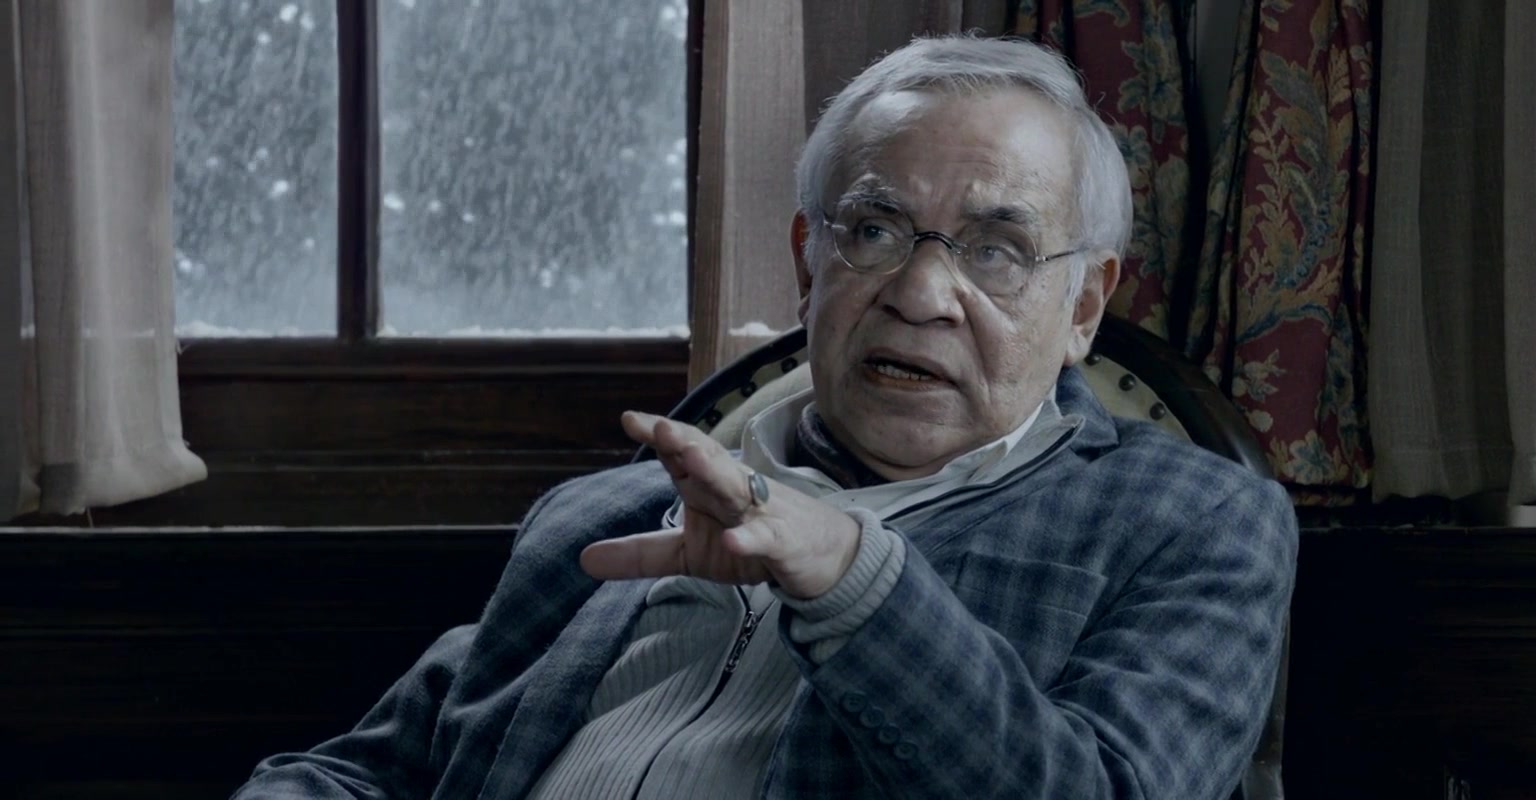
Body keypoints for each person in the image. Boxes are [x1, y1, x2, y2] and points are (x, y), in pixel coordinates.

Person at [234, 34, 1297, 800]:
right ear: (808, 260)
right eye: (874, 229)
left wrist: (854, 579)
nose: (921, 293)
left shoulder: (1187, 522)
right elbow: (365, 771)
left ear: (1084, 307)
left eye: (995, 250)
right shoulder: (608, 513)